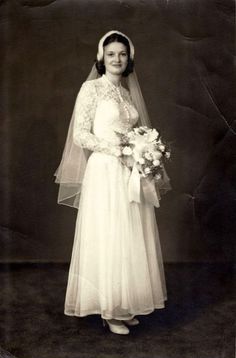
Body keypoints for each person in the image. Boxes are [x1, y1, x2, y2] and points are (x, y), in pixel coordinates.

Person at [54, 30, 171, 335]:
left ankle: (123, 305)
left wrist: (144, 150)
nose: (117, 59)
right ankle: (109, 309)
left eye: (122, 54)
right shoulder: (91, 89)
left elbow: (134, 132)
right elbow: (81, 134)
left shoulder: (128, 94)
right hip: (105, 170)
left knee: (129, 234)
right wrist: (119, 150)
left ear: (129, 58)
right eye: (110, 54)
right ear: (101, 58)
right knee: (109, 234)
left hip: (128, 173)